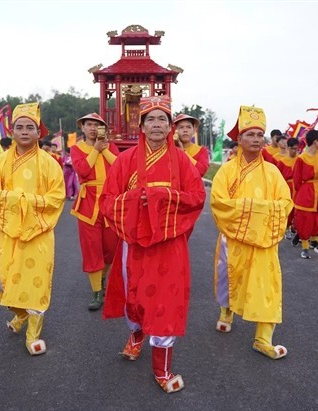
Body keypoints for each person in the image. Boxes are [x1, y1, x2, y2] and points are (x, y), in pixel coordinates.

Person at [100, 95, 205, 393]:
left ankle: (162, 368)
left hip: (169, 245)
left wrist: (162, 199)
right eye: (151, 119)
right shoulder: (125, 160)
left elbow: (197, 198)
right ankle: (136, 335)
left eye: (163, 119)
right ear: (142, 126)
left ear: (170, 127)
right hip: (134, 244)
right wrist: (137, 202)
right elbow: (107, 202)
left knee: (165, 304)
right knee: (133, 297)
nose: (157, 124)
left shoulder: (183, 161)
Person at [0, 103, 65, 356]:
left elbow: (56, 197)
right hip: (9, 232)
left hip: (38, 233)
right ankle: (20, 317)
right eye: (20, 127)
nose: (25, 131)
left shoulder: (49, 164)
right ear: (13, 131)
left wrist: (26, 202)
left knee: (35, 284)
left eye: (31, 127)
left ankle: (33, 335)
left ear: (39, 133)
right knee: (6, 283)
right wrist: (16, 200)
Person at [211, 105, 293, 360]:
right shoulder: (227, 171)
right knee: (230, 278)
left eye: (260, 134)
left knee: (267, 286)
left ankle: (263, 338)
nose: (256, 139)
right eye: (250, 134)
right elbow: (218, 203)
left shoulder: (272, 171)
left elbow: (285, 202)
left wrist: (254, 214)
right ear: (239, 139)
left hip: (263, 242)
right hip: (233, 239)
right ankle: (227, 311)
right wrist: (259, 211)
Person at [70, 113, 120, 310]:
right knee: (92, 249)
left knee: (111, 248)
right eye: (89, 124)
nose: (93, 128)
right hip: (87, 204)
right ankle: (97, 292)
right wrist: (95, 151)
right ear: (82, 127)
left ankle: (103, 278)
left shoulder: (111, 147)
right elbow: (82, 170)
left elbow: (119, 167)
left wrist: (103, 149)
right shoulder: (76, 149)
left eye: (97, 126)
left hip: (109, 201)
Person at [293, 129, 318, 259]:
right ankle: (305, 247)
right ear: (315, 141)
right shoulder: (301, 158)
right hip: (307, 192)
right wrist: (301, 194)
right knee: (305, 219)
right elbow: (297, 180)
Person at [275, 137, 299, 240]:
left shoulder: (300, 159)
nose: (295, 151)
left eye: (297, 149)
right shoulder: (282, 161)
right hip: (287, 187)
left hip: (297, 187)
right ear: (288, 148)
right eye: (293, 148)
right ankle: (287, 228)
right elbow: (278, 177)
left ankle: (296, 228)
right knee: (287, 207)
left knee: (297, 209)